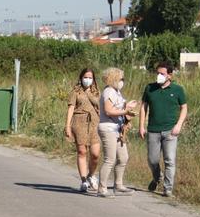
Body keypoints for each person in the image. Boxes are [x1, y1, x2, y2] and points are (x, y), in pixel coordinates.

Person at [139, 62, 188, 197]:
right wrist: (141, 126)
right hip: (153, 130)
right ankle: (157, 177)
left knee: (170, 160)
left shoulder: (177, 90)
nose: (159, 76)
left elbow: (184, 107)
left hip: (170, 131)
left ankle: (168, 189)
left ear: (170, 76)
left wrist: (179, 125)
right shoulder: (150, 88)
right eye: (158, 73)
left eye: (162, 74)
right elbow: (143, 107)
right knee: (152, 160)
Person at [97, 67, 138, 198]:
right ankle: (102, 188)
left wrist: (128, 107)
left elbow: (119, 108)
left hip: (117, 128)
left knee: (123, 157)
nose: (123, 81)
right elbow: (109, 111)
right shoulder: (108, 92)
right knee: (110, 159)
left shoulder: (117, 92)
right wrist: (126, 112)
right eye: (121, 79)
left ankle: (118, 185)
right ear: (114, 79)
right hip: (108, 128)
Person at [64, 68, 101, 192]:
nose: (87, 80)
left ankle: (91, 175)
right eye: (85, 77)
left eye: (90, 77)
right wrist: (67, 126)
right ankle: (84, 180)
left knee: (95, 154)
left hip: (94, 123)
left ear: (93, 79)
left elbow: (100, 106)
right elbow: (71, 108)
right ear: (81, 78)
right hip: (79, 122)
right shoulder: (76, 91)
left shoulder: (96, 92)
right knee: (82, 152)